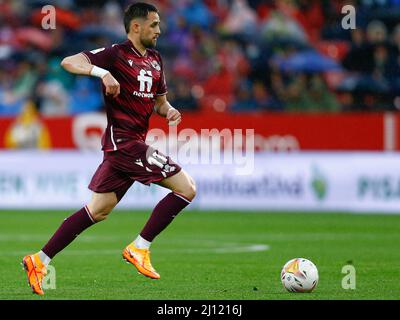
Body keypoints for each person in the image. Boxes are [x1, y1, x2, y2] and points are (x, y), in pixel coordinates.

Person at [22, 2, 196, 295]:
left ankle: (39, 260)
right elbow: (68, 61)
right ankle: (139, 248)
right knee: (186, 188)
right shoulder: (115, 54)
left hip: (128, 146)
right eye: (154, 25)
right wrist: (101, 73)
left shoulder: (155, 60)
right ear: (136, 26)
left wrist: (170, 111)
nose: (159, 30)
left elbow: (160, 103)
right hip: (125, 143)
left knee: (98, 210)